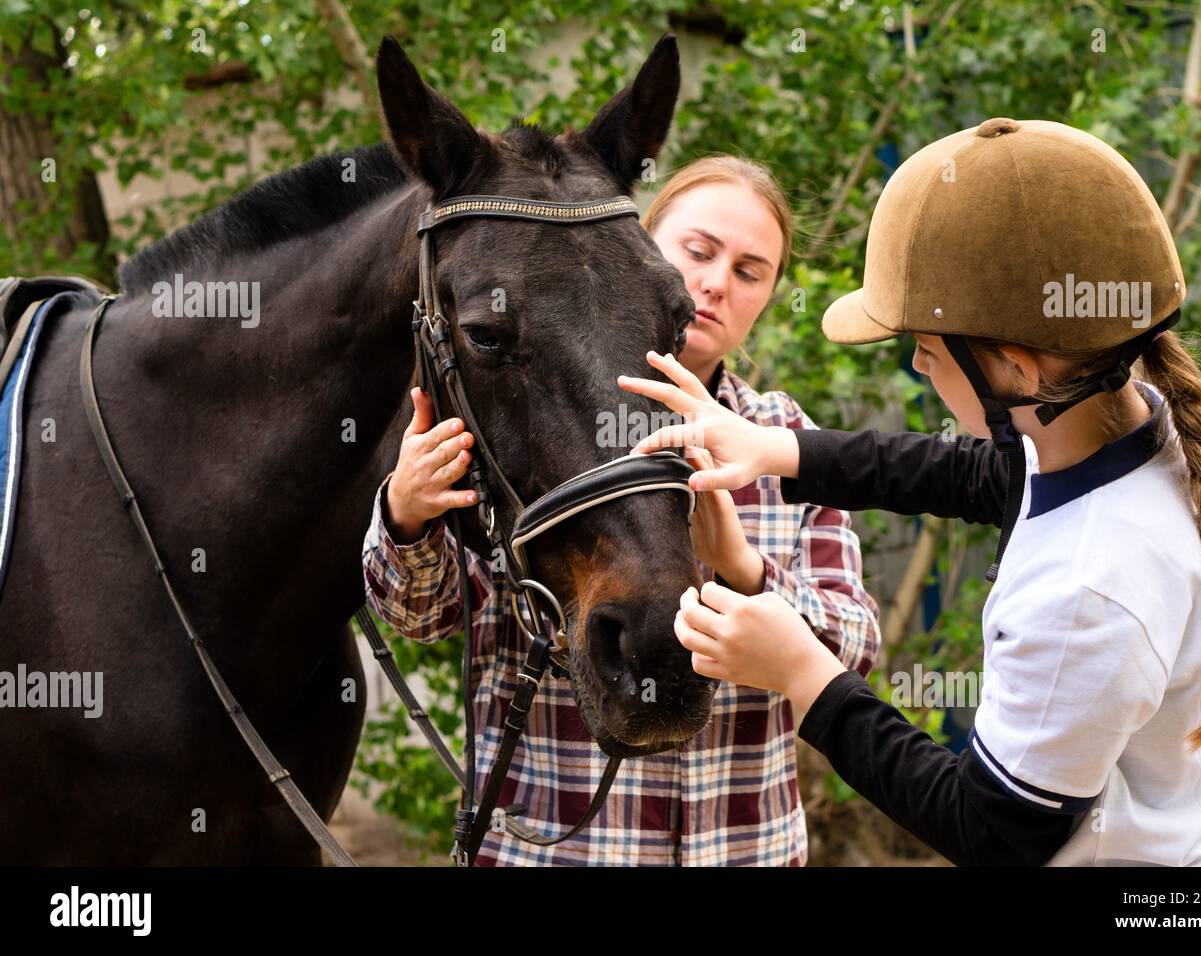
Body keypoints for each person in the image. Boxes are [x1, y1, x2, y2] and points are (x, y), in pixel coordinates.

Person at [619, 118, 1201, 866]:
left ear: (1016, 371)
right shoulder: (1111, 425)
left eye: (930, 350)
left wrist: (802, 670)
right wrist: (774, 449)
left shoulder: (1089, 587)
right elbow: (967, 473)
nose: (916, 365)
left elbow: (986, 828)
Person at [362, 155, 879, 866]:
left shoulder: (786, 440)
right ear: (636, 248)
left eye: (750, 271)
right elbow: (420, 618)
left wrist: (743, 567)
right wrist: (407, 513)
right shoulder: (527, 410)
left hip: (741, 850)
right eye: (697, 252)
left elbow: (855, 650)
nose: (716, 283)